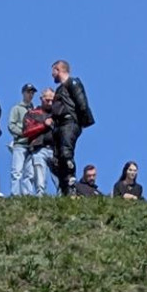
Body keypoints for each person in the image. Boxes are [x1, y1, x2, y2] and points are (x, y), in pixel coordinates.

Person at [51, 60, 95, 196]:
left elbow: (82, 103)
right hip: (59, 125)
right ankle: (64, 188)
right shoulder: (59, 89)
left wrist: (80, 122)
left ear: (58, 69)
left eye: (53, 71)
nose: (52, 75)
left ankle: (71, 186)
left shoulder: (73, 83)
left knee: (66, 153)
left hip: (69, 123)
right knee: (58, 159)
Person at [22, 88, 56, 197]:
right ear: (41, 99)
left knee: (59, 176)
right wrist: (43, 125)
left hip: (55, 149)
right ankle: (40, 197)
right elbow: (26, 131)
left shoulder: (58, 114)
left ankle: (63, 197)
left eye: (52, 100)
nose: (50, 103)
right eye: (47, 100)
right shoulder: (32, 113)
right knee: (39, 177)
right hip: (39, 147)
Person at [8, 83, 36, 196]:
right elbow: (11, 125)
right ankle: (15, 193)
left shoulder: (34, 110)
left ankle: (27, 194)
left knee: (30, 172)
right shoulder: (16, 108)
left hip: (31, 144)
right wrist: (23, 133)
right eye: (28, 92)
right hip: (20, 144)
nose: (30, 95)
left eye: (32, 93)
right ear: (23, 93)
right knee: (17, 171)